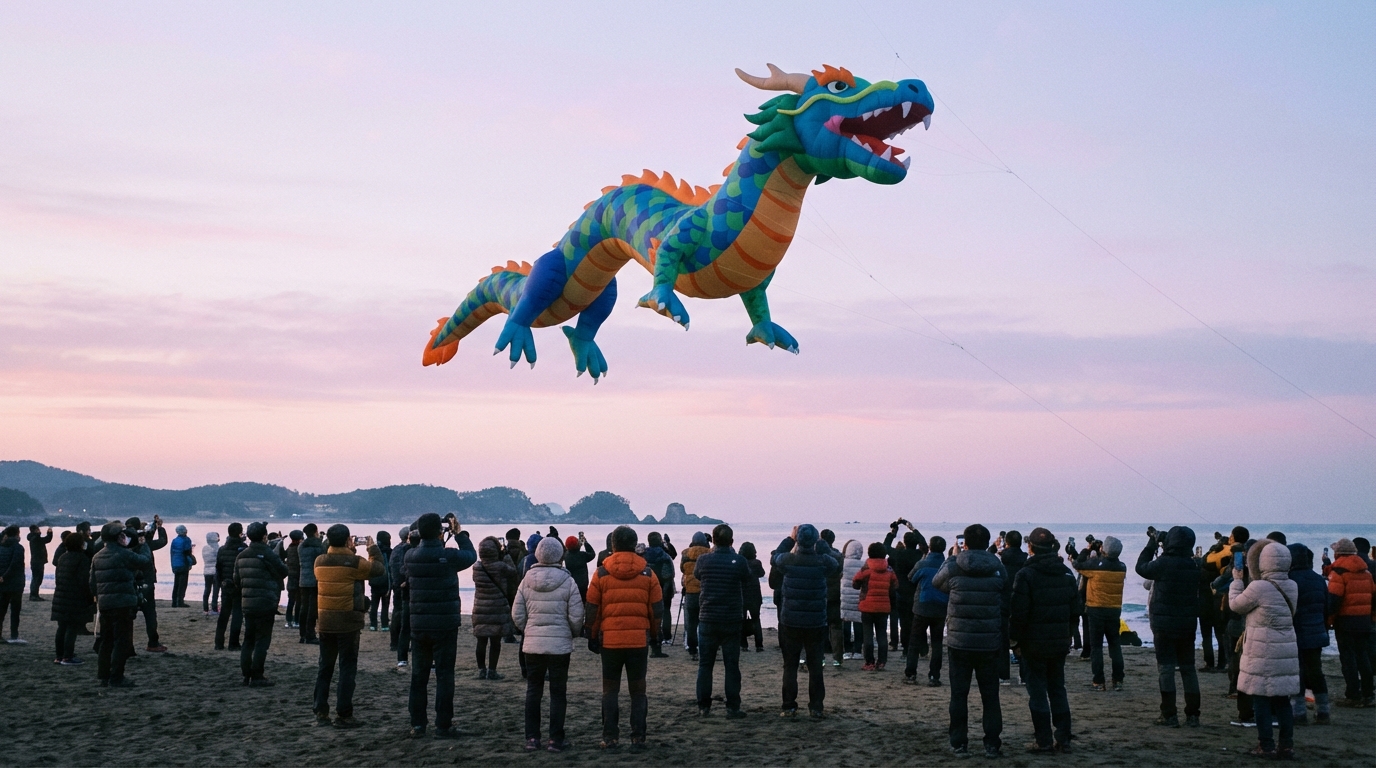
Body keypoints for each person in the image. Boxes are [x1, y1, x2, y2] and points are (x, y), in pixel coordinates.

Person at [586, 525, 663, 751]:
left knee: (610, 690)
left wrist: (592, 634)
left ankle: (610, 737)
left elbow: (592, 609)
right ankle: (638, 737)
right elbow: (656, 610)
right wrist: (655, 635)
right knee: (638, 691)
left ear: (613, 545)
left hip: (610, 642)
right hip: (638, 641)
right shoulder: (648, 574)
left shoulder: (601, 573)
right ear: (634, 544)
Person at [934, 524, 1007, 758]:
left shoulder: (954, 565)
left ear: (964, 543)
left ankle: (959, 743)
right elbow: (1004, 587)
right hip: (989, 640)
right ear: (987, 543)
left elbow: (937, 583)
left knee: (959, 694)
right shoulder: (997, 566)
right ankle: (992, 744)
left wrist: (952, 557)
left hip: (960, 640)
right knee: (990, 696)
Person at [404, 513, 477, 738]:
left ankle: (418, 725)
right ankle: (443, 725)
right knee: (445, 676)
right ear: (440, 531)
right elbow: (471, 555)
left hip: (419, 623)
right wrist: (459, 533)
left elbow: (421, 551)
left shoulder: (410, 556)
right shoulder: (449, 555)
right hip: (444, 624)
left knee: (419, 676)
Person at [1228, 539, 1300, 758]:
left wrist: (1237, 581)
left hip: (1262, 650)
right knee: (1282, 700)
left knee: (1260, 699)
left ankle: (1266, 745)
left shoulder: (1259, 587)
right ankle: (1286, 746)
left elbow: (1236, 605)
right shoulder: (1292, 585)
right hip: (1286, 649)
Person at [1011, 528, 1080, 754]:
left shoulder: (1026, 575)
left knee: (1038, 691)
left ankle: (1044, 740)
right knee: (1057, 688)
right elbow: (1075, 610)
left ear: (1030, 547)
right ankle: (1063, 738)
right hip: (1058, 642)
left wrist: (1015, 642)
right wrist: (1068, 635)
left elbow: (1018, 613)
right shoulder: (1066, 574)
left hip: (1033, 644)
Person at [513, 536, 584, 752]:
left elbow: (517, 614)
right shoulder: (568, 581)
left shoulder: (526, 580)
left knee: (533, 691)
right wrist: (571, 633)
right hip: (559, 645)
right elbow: (577, 616)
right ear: (560, 555)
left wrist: (529, 630)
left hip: (532, 644)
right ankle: (555, 739)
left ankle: (532, 738)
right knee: (558, 692)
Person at [313, 524, 384, 726]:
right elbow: (378, 569)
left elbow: (337, 565)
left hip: (325, 620)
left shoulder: (319, 561)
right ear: (348, 540)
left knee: (325, 667)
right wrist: (372, 548)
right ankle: (343, 714)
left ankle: (321, 711)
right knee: (347, 668)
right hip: (348, 622)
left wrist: (347, 550)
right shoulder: (354, 563)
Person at [1136, 525, 1202, 727]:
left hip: (1163, 625)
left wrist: (1152, 544)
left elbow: (1141, 567)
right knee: (1188, 669)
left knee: (1166, 669)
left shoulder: (1163, 563)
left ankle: (1169, 714)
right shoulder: (1194, 565)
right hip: (1187, 624)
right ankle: (1193, 715)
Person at [773, 524, 840, 718]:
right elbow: (837, 562)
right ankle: (816, 707)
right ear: (815, 541)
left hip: (790, 620)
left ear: (798, 540)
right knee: (815, 667)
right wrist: (822, 544)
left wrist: (789, 539)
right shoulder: (823, 561)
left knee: (790, 665)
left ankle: (789, 706)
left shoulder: (788, 560)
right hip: (815, 621)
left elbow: (774, 557)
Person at [692, 524, 751, 718]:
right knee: (731, 665)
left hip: (708, 616)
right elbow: (747, 577)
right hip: (731, 618)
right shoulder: (739, 561)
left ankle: (704, 706)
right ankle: (732, 706)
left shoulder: (703, 560)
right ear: (732, 541)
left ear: (713, 540)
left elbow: (697, 575)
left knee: (705, 665)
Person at [89, 522, 149, 687]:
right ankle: (116, 677)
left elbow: (92, 583)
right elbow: (144, 561)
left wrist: (100, 597)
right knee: (121, 641)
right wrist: (143, 544)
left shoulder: (97, 556)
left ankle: (103, 676)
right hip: (123, 603)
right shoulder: (124, 554)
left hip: (105, 604)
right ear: (118, 537)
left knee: (106, 641)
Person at [237, 521, 288, 687]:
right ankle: (257, 675)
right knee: (262, 640)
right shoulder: (267, 553)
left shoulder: (242, 555)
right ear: (265, 536)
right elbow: (283, 571)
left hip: (248, 602)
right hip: (266, 601)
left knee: (248, 639)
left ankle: (246, 674)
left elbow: (237, 579)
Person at [1326, 537, 1374, 707]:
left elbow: (1334, 601)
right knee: (1363, 656)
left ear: (1338, 553)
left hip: (1345, 621)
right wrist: (1371, 617)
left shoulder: (1338, 573)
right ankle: (1368, 694)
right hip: (1364, 621)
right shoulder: (1366, 573)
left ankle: (1353, 695)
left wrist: (1328, 620)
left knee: (1348, 659)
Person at [1075, 535, 1126, 691]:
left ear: (1105, 549)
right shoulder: (1122, 567)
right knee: (1115, 646)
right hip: (1114, 609)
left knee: (1096, 647)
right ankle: (1118, 680)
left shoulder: (1095, 565)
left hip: (1095, 608)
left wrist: (1087, 549)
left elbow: (1078, 564)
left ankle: (1098, 681)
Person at [1287, 543, 1331, 724]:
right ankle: (1323, 711)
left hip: (1296, 632)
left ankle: (1298, 712)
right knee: (1316, 671)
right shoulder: (1318, 579)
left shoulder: (1290, 580)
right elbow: (1327, 606)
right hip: (1317, 632)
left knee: (1296, 672)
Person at [472, 535, 518, 679]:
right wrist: (506, 557)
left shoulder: (477, 567)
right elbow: (513, 572)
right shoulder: (500, 566)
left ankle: (481, 670)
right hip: (497, 607)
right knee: (495, 641)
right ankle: (492, 671)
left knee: (481, 641)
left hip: (480, 607)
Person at [906, 535, 948, 686]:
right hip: (941, 607)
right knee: (937, 643)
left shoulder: (922, 563)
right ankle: (934, 676)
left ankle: (911, 674)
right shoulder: (947, 565)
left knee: (914, 642)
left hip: (922, 606)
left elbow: (911, 578)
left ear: (930, 547)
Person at [50, 531, 93, 665]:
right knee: (72, 627)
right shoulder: (82, 559)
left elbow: (58, 578)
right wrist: (90, 598)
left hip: (61, 595)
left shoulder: (63, 557)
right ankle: (68, 657)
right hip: (75, 597)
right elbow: (84, 581)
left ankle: (59, 656)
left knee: (62, 627)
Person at [853, 541, 897, 671]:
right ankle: (881, 661)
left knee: (868, 635)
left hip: (867, 605)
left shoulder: (866, 568)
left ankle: (869, 662)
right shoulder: (889, 569)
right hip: (883, 606)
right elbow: (895, 585)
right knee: (882, 634)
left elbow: (855, 583)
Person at [124, 519, 167, 652]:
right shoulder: (144, 543)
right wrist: (159, 527)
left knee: (127, 616)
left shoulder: (122, 541)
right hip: (146, 580)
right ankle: (153, 642)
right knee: (150, 613)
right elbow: (162, 541)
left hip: (128, 581)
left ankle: (127, 645)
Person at [884, 521, 924, 655]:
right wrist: (912, 528)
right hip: (916, 591)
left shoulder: (898, 554)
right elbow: (924, 545)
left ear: (905, 543)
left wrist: (893, 533)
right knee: (917, 620)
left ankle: (906, 650)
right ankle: (921, 648)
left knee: (904, 622)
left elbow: (885, 546)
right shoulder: (919, 554)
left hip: (900, 591)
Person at [997, 530, 1027, 684]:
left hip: (1003, 605)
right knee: (1022, 641)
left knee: (1003, 643)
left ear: (1006, 543)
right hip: (1022, 605)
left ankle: (1003, 676)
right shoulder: (1026, 561)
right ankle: (1024, 676)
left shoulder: (1001, 561)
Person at [641, 532, 675, 656]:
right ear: (660, 540)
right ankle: (666, 636)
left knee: (649, 614)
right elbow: (669, 574)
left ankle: (650, 637)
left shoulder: (643, 555)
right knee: (665, 611)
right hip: (663, 587)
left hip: (647, 588)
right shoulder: (665, 555)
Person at [215, 523, 248, 651]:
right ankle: (233, 643)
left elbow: (218, 568)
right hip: (238, 585)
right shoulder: (244, 548)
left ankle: (218, 643)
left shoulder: (222, 549)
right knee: (237, 614)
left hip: (226, 584)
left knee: (224, 614)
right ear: (240, 533)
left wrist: (221, 583)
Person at [680, 532, 710, 661]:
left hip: (691, 592)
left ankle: (692, 649)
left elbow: (682, 569)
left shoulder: (686, 553)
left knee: (691, 623)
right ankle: (705, 648)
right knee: (706, 622)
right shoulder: (709, 553)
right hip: (705, 591)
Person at [390, 526, 417, 665]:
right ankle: (399, 647)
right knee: (404, 619)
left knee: (398, 613)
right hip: (404, 586)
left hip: (397, 584)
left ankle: (395, 644)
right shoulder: (407, 550)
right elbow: (404, 568)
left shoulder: (396, 549)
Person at [297, 523, 326, 644]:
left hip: (303, 579)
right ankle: (310, 634)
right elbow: (322, 556)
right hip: (314, 579)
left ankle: (302, 634)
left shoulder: (301, 546)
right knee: (312, 608)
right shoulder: (317, 546)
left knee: (304, 607)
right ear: (315, 532)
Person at [820, 529, 843, 664]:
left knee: (820, 626)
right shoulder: (838, 556)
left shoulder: (818, 555)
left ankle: (821, 657)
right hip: (835, 594)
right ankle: (837, 657)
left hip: (821, 594)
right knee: (836, 626)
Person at [839, 540, 864, 660]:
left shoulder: (842, 564)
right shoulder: (863, 565)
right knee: (859, 624)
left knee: (846, 624)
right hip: (858, 598)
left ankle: (847, 650)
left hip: (845, 597)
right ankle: (858, 651)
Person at [0, 526, 25, 643]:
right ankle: (14, 635)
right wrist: (5, 576)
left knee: (1, 610)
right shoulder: (18, 547)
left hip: (2, 583)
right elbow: (15, 564)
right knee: (15, 611)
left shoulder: (1, 547)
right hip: (15, 584)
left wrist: (2, 577)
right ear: (17, 534)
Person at [739, 542, 766, 652]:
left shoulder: (740, 563)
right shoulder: (757, 563)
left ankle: (744, 645)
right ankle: (759, 645)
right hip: (755, 595)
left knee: (742, 620)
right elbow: (762, 573)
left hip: (742, 595)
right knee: (756, 619)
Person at [563, 533, 598, 604]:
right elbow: (592, 554)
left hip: (571, 585)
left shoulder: (566, 556)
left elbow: (572, 550)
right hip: (583, 585)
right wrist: (585, 543)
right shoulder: (582, 555)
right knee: (584, 602)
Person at [368, 530, 392, 632]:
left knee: (374, 603)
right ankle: (384, 625)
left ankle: (373, 624)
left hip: (374, 581)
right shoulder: (390, 552)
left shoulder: (373, 551)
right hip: (386, 582)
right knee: (385, 605)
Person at [169, 524, 195, 608]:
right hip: (183, 563)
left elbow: (172, 553)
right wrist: (190, 563)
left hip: (176, 563)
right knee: (183, 584)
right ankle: (180, 601)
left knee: (176, 583)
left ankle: (174, 601)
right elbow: (187, 553)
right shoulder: (186, 540)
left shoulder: (174, 540)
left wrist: (172, 565)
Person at [27, 525, 52, 601]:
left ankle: (34, 594)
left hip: (35, 561)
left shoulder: (33, 538)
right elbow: (47, 539)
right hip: (38, 561)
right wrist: (49, 533)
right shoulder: (36, 538)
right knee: (37, 579)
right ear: (35, 530)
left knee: (35, 578)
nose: (39, 531)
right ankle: (34, 595)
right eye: (38, 529)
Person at [284, 530, 303, 628]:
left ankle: (288, 621)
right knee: (299, 601)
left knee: (291, 600)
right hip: (299, 577)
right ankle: (296, 621)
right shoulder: (300, 549)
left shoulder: (289, 548)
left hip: (291, 577)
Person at [202, 530, 221, 616]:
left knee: (207, 589)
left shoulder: (204, 548)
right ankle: (214, 608)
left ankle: (205, 608)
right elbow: (219, 559)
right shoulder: (217, 548)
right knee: (215, 591)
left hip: (206, 571)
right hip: (215, 571)